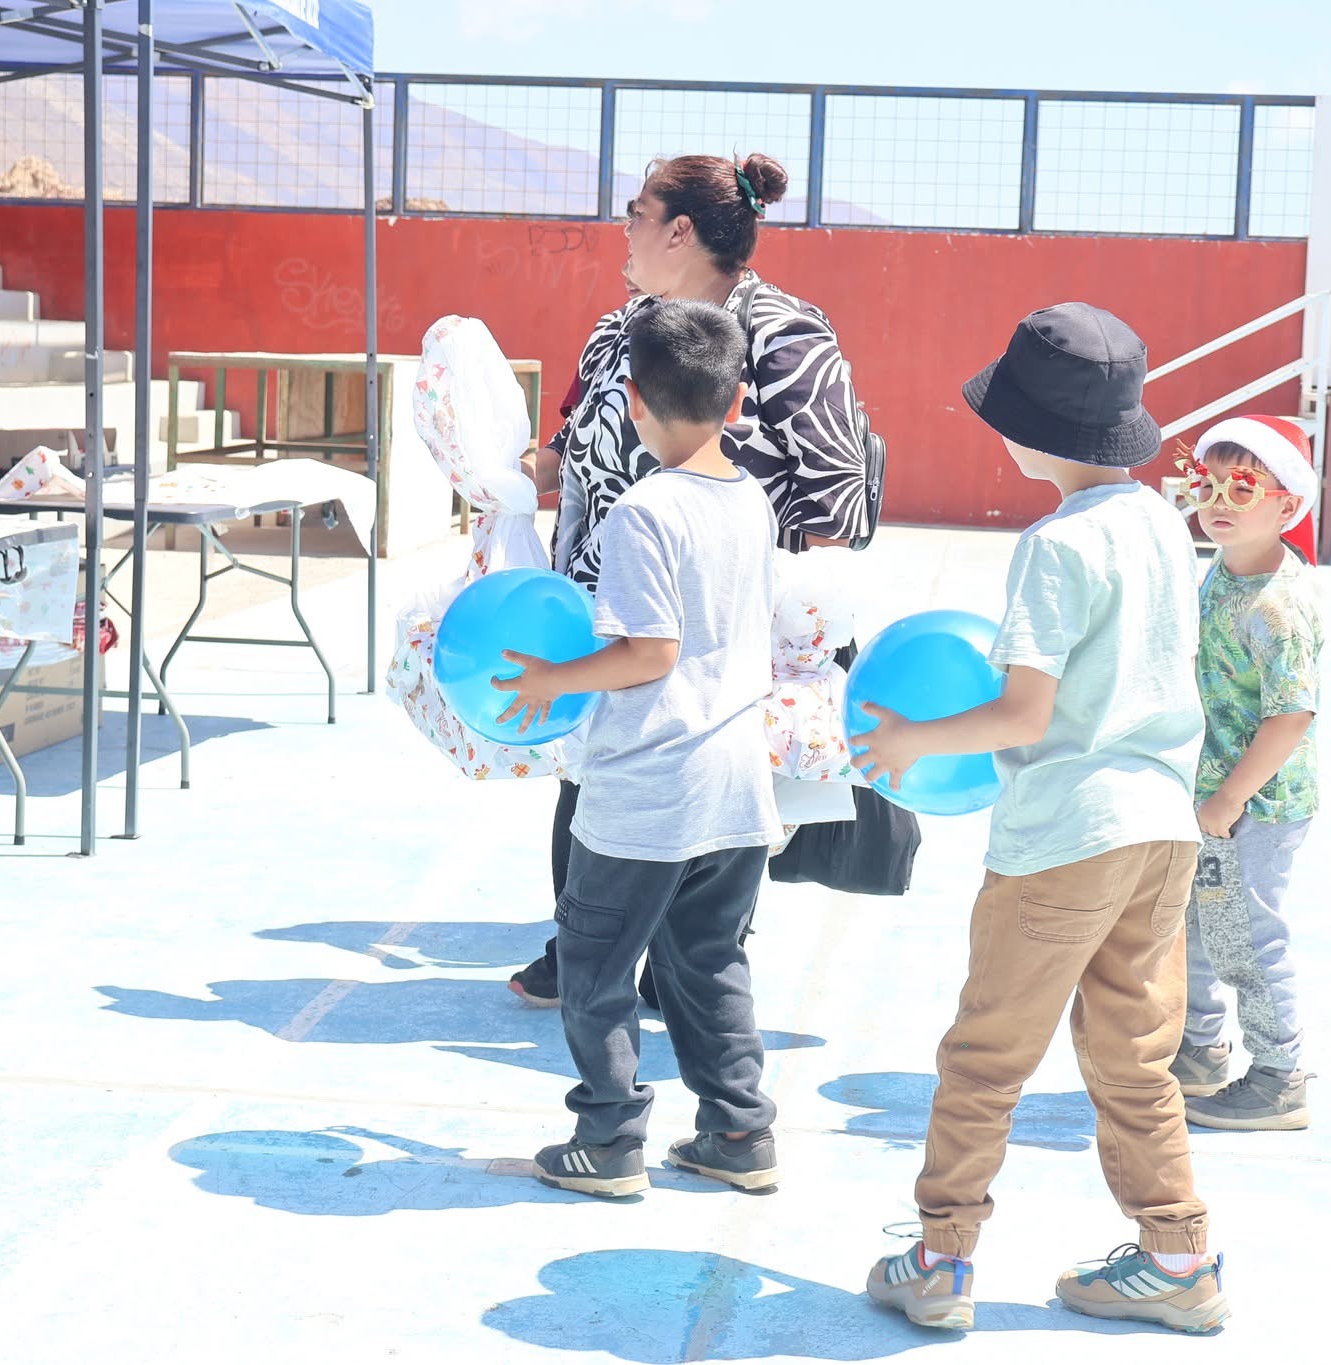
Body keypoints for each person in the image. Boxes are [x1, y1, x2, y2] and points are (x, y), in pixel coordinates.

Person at [853, 304, 1227, 1335]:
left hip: (1064, 831)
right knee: (1133, 1055)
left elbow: (1024, 712)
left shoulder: (1054, 545)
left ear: (1033, 433)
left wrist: (906, 744)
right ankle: (1178, 1257)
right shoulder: (1158, 521)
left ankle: (937, 1259)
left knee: (987, 1054)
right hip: (1159, 826)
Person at [510, 151, 877, 1009]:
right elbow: (567, 448)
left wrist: (773, 593)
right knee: (592, 780)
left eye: (636, 212)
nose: (623, 230)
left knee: (707, 800)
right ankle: (584, 939)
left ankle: (689, 976)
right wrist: (516, 473)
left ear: (680, 230)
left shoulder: (785, 333)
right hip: (604, 608)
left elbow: (839, 496)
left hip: (718, 633)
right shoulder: (619, 328)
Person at [492, 299, 782, 1198]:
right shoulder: (751, 499)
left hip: (648, 788)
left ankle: (611, 1138)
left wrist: (550, 679)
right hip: (736, 788)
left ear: (629, 400)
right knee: (710, 964)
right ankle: (738, 1130)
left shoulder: (643, 510)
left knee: (594, 968)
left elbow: (647, 651)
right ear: (736, 403)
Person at [1167, 416, 1324, 1132]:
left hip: (1256, 803)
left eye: (1243, 486)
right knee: (1198, 921)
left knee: (1249, 934)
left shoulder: (1277, 604)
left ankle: (1279, 1074)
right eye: (1208, 484)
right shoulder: (1225, 569)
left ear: (1288, 505)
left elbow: (1292, 714)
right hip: (1216, 797)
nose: (1219, 501)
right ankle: (1198, 1048)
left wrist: (1232, 796)